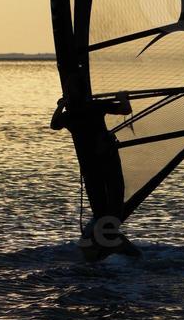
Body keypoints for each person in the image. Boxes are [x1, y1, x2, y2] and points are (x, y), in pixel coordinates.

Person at [51, 72, 141, 261]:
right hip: (106, 159)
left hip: (91, 165)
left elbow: (54, 124)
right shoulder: (94, 106)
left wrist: (61, 105)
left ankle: (102, 240)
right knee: (113, 199)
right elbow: (125, 110)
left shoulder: (70, 115)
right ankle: (109, 241)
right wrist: (122, 97)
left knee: (102, 204)